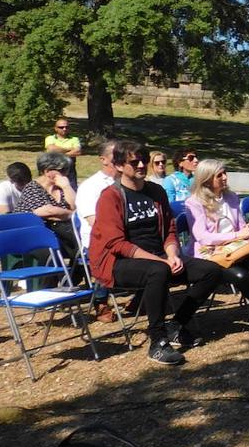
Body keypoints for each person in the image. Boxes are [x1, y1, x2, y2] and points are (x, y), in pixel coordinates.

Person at [89, 140, 223, 366]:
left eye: (143, 159)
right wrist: (162, 261)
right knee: (158, 271)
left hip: (159, 258)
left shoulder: (156, 191)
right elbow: (117, 244)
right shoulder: (110, 197)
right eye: (134, 161)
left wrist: (172, 255)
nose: (141, 165)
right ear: (120, 166)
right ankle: (157, 342)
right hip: (119, 264)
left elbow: (170, 230)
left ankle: (176, 325)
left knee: (211, 271)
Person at [186, 158, 249, 332]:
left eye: (225, 173)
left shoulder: (231, 197)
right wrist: (237, 235)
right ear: (207, 179)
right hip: (211, 253)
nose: (225, 177)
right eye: (219, 175)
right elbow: (203, 238)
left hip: (236, 248)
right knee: (240, 275)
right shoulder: (194, 203)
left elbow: (240, 226)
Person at [75, 140, 119, 323]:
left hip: (126, 236)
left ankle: (142, 298)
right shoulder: (91, 187)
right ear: (103, 159)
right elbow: (95, 223)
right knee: (108, 253)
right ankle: (101, 300)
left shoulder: (130, 182)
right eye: (116, 155)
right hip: (98, 240)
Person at [16, 152, 79, 264]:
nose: (66, 173)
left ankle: (75, 276)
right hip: (33, 235)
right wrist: (70, 214)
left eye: (67, 170)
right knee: (52, 253)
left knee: (84, 245)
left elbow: (75, 206)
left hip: (60, 233)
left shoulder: (61, 188)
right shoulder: (33, 188)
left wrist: (66, 187)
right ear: (47, 171)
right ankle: (51, 281)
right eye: (62, 170)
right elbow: (46, 211)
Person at [44, 117, 82, 187]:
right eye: (61, 127)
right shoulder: (50, 138)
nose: (64, 129)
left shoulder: (74, 139)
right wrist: (70, 149)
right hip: (53, 168)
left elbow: (78, 152)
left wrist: (58, 152)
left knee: (71, 190)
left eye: (66, 127)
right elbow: (51, 149)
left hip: (69, 170)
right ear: (56, 128)